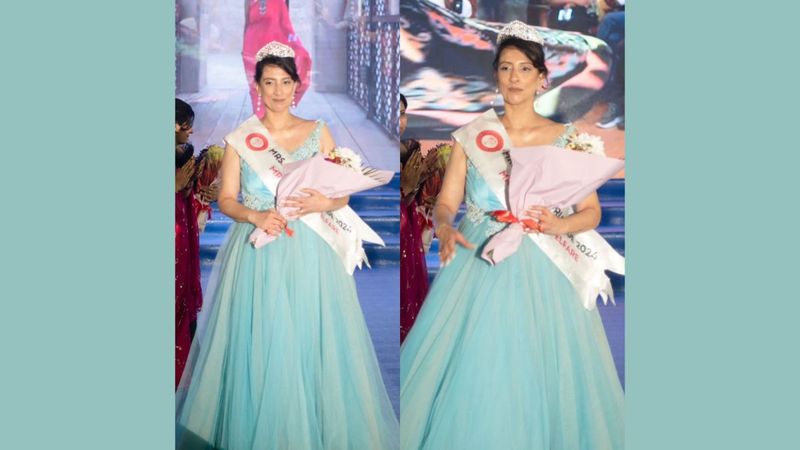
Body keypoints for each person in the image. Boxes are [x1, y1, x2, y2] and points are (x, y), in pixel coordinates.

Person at [400, 22, 624, 449]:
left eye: (524, 69)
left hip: (547, 267)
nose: (514, 77)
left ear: (542, 78)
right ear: (496, 76)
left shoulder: (567, 139)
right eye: (505, 68)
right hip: (479, 262)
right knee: (480, 364)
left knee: (543, 366)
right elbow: (447, 202)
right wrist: (444, 225)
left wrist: (559, 224)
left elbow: (591, 213)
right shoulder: (472, 136)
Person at [175, 42, 398, 450]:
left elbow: (341, 194)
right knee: (263, 344)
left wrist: (323, 202)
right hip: (259, 251)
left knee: (312, 339)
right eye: (269, 82)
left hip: (312, 250)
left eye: (285, 82)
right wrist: (256, 215)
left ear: (297, 85)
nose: (277, 90)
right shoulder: (241, 139)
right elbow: (227, 200)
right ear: (257, 86)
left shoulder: (318, 131)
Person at [175, 98, 217, 389]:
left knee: (182, 299)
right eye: (186, 125)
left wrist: (199, 191)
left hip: (182, 236)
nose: (190, 130)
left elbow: (185, 193)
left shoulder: (184, 155)